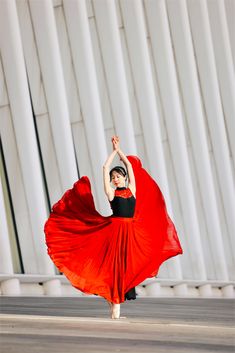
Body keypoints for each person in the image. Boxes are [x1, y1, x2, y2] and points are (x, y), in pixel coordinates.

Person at [44, 135, 183, 319]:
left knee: (127, 268)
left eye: (118, 176)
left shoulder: (132, 189)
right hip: (114, 232)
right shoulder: (111, 193)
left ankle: (114, 305)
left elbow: (129, 166)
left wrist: (119, 151)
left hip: (131, 234)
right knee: (114, 269)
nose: (115, 179)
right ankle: (115, 307)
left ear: (124, 177)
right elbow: (104, 167)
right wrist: (111, 155)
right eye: (113, 177)